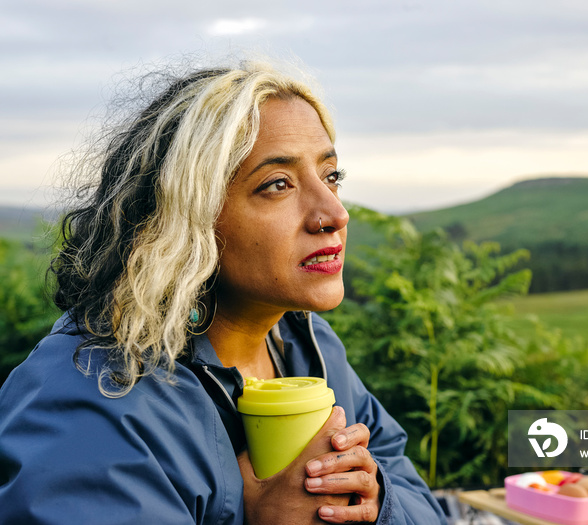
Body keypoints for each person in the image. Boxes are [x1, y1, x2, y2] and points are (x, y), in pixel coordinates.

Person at [0, 60, 447, 524]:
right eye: (278, 185)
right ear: (184, 217)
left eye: (331, 176)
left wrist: (374, 501)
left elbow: (420, 504)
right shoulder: (90, 397)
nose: (333, 213)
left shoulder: (308, 346)